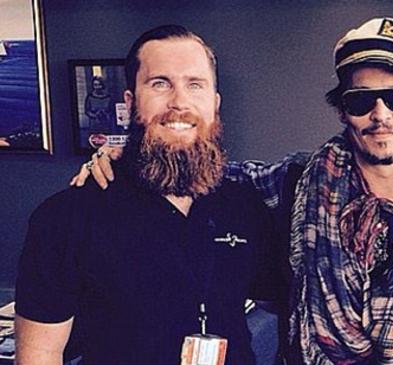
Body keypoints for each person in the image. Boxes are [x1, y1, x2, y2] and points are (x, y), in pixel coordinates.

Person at [71, 17, 393, 364]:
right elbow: (193, 170)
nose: (380, 115)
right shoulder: (294, 184)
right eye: (361, 99)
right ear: (342, 109)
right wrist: (129, 151)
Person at [15, 25, 282, 365]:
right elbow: (40, 353)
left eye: (195, 85)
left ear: (215, 104)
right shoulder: (66, 217)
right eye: (160, 84)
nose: (179, 102)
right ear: (130, 101)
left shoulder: (246, 204)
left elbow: (281, 302)